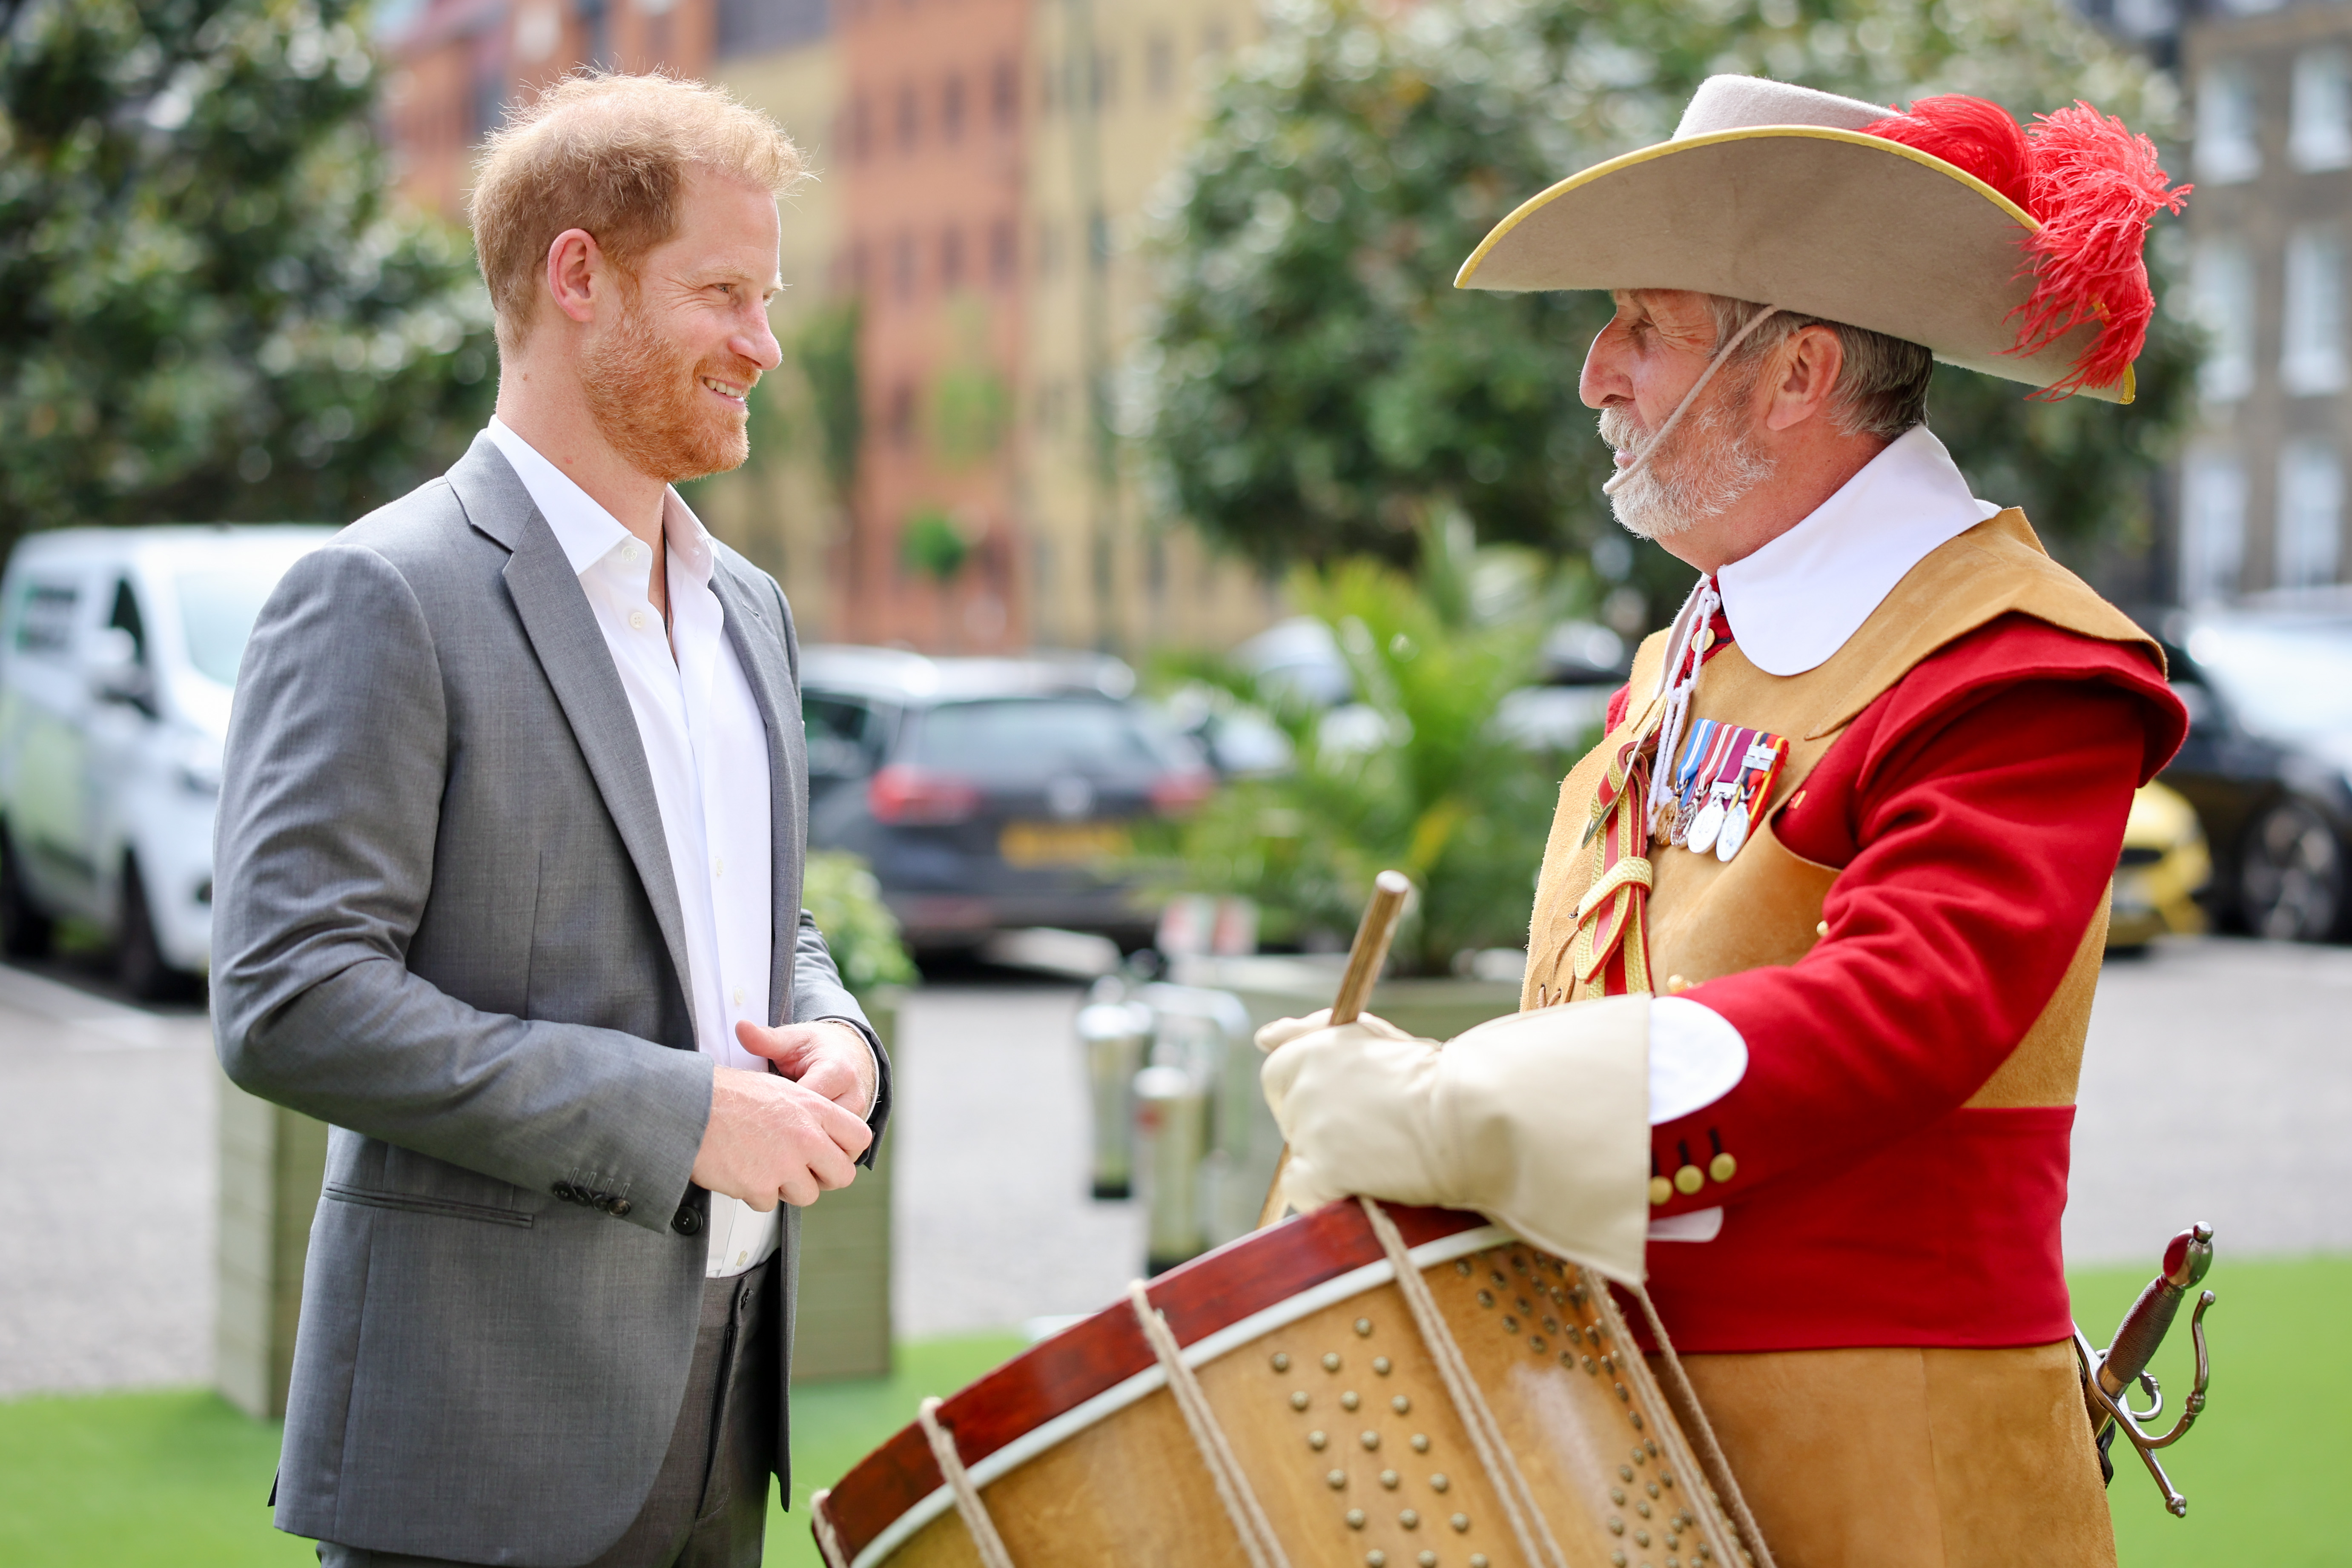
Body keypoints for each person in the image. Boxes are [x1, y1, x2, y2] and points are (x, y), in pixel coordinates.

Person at [1259, 77, 2191, 1568]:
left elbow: (1907, 1008)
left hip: (1891, 1490)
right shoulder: (1693, 649)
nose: (1593, 373)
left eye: (1641, 320)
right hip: (1620, 1461)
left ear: (1795, 370)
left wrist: (1475, 1106)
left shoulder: (2019, 665)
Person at [210, 74, 886, 1567]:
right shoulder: (384, 594)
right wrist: (681, 1115)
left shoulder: (748, 611)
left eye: (766, 299)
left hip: (723, 1415)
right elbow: (291, 998)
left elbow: (764, 919)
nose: (763, 346)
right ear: (578, 275)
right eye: (724, 293)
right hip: (477, 1444)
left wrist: (836, 1035)